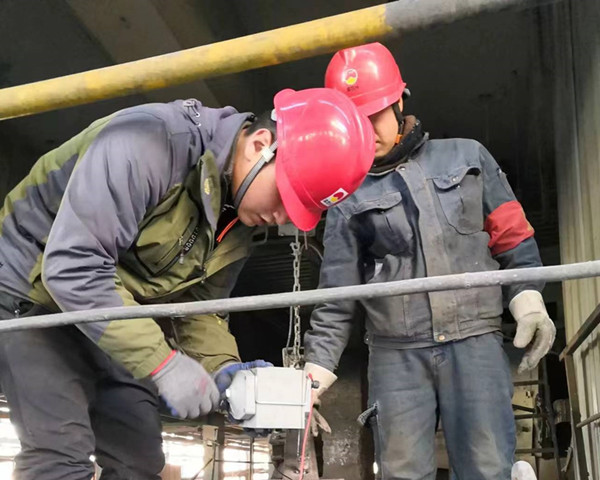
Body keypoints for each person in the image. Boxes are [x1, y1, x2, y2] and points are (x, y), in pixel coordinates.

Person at [0, 87, 374, 480]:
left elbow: (200, 308)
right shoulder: (148, 144)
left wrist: (227, 373)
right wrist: (163, 364)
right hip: (30, 295)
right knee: (61, 454)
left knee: (138, 462)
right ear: (260, 145)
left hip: (109, 313)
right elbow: (74, 266)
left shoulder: (238, 223)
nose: (283, 217)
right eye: (286, 196)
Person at [304, 43, 556, 479]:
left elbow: (513, 236)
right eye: (353, 121)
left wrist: (528, 298)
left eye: (374, 115)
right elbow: (337, 297)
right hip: (396, 355)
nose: (366, 131)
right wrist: (315, 374)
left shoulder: (468, 157)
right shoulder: (347, 199)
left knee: (487, 468)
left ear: (399, 102)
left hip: (475, 341)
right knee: (401, 472)